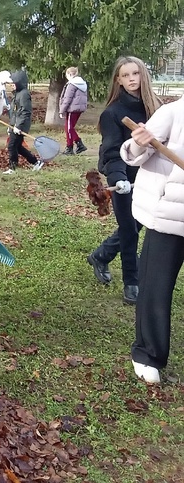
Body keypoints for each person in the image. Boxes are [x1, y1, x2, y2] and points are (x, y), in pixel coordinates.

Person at [87, 56, 161, 306]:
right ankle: (133, 282)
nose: (132, 79)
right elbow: (111, 151)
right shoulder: (113, 113)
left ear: (143, 75)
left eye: (135, 74)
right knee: (129, 229)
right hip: (123, 180)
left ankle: (101, 255)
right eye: (126, 75)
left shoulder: (155, 108)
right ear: (118, 80)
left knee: (138, 224)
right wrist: (118, 179)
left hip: (149, 177)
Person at [120, 96, 184, 383]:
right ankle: (148, 354)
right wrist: (139, 141)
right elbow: (131, 154)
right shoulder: (174, 112)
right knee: (156, 287)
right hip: (171, 216)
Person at [3, 69, 44, 174]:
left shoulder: (24, 94)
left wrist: (18, 126)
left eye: (13, 83)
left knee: (12, 146)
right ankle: (36, 162)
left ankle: (12, 168)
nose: (11, 85)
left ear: (19, 83)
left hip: (20, 125)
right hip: (15, 125)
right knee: (18, 147)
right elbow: (15, 112)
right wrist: (11, 125)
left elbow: (25, 112)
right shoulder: (17, 93)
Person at [59, 66, 89, 155]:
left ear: (70, 74)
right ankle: (71, 146)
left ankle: (76, 145)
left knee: (69, 128)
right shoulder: (82, 83)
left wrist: (62, 110)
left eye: (66, 75)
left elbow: (67, 98)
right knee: (69, 128)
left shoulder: (72, 84)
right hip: (78, 109)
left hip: (72, 109)